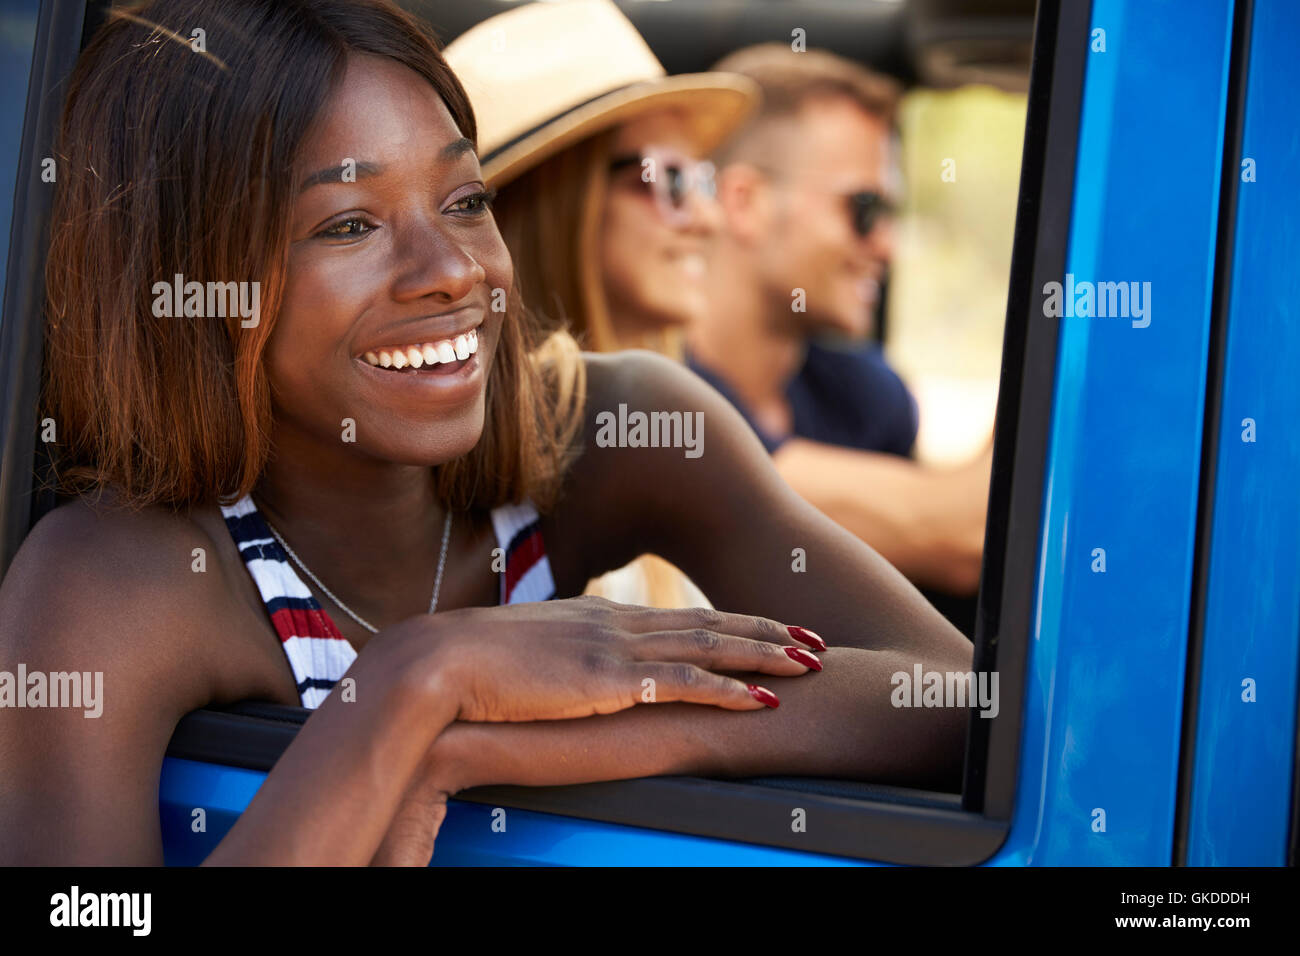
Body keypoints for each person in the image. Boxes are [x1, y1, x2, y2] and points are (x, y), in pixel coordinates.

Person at [0, 0, 972, 866]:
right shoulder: (112, 580)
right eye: (347, 225)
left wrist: (483, 742)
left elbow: (955, 700)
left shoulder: (616, 429)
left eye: (465, 201)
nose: (454, 270)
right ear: (196, 279)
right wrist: (407, 686)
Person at [445, 0, 760, 606]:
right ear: (564, 194)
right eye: (670, 179)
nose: (709, 218)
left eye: (704, 180)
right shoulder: (525, 447)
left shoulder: (658, 417)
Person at [688, 44, 992, 605]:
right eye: (864, 210)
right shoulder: (668, 406)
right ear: (744, 202)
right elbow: (965, 535)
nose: (887, 245)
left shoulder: (867, 397)